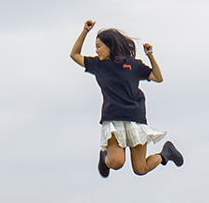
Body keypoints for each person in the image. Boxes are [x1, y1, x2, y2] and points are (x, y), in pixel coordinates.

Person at [70, 20, 182, 178]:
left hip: (135, 117)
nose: (96, 51)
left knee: (140, 169)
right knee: (117, 162)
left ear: (110, 46)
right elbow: (74, 55)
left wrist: (150, 56)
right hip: (113, 118)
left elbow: (158, 77)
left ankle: (166, 153)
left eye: (99, 46)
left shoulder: (132, 65)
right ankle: (105, 158)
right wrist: (85, 31)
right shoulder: (98, 65)